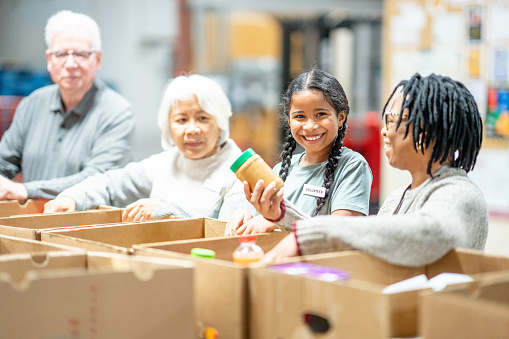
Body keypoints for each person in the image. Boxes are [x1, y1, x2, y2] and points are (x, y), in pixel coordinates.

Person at [249, 73, 488, 267]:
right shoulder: (397, 198)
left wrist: (306, 236)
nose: (385, 131)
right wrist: (283, 214)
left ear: (426, 130)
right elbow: (358, 241)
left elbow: (429, 234)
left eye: (393, 121)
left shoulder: (459, 193)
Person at [44, 74, 256, 222]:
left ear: (220, 123)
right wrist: (71, 198)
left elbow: (228, 235)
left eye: (202, 118)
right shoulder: (164, 164)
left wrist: (167, 210)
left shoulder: (239, 174)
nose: (191, 129)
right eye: (181, 120)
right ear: (168, 126)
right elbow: (110, 185)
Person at [0, 10, 135, 201]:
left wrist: (25, 190)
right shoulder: (32, 104)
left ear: (97, 59)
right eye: (61, 54)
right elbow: (4, 162)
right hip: (30, 224)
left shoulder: (118, 112)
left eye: (80, 54)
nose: (70, 64)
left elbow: (97, 180)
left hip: (84, 227)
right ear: (49, 59)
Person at [225, 69, 372, 236]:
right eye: (300, 116)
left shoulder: (352, 166)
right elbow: (261, 220)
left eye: (321, 114)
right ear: (289, 121)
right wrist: (245, 215)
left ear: (340, 118)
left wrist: (276, 220)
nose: (310, 126)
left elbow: (340, 234)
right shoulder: (280, 169)